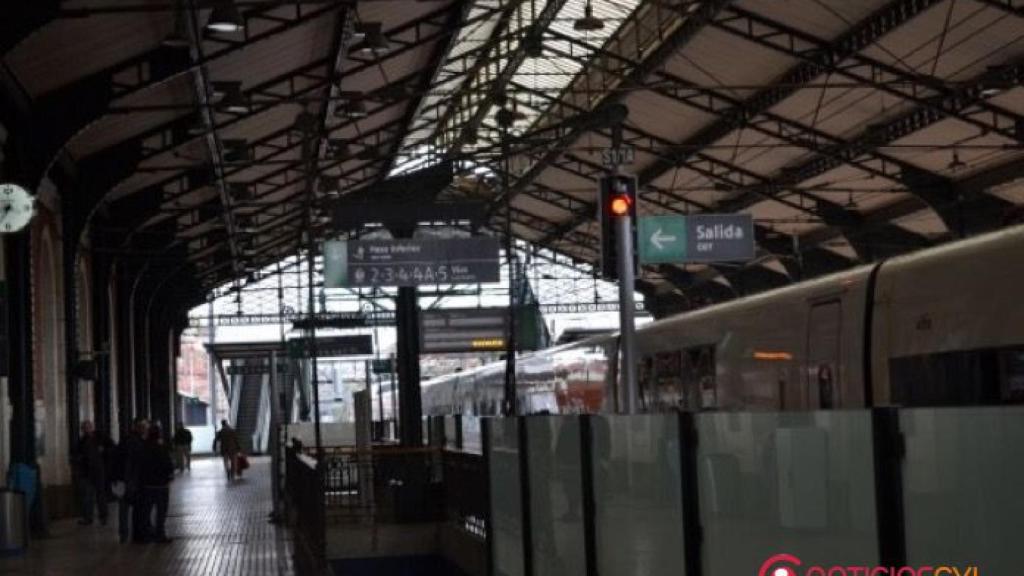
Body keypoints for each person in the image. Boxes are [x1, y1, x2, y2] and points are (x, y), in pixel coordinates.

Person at [113, 418, 150, 543]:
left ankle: (124, 534)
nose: (145, 429)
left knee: (124, 508)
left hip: (124, 479)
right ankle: (136, 533)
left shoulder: (126, 441)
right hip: (133, 480)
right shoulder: (138, 442)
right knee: (136, 507)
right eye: (143, 427)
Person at [72, 420, 112, 526]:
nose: (86, 430)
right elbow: (76, 454)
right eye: (84, 428)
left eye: (88, 427)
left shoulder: (100, 437)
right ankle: (88, 518)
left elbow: (112, 447)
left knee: (100, 495)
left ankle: (103, 517)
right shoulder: (81, 441)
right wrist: (80, 460)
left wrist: (104, 450)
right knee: (87, 496)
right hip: (87, 472)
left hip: (99, 470)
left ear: (92, 427)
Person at [140, 425, 175, 543]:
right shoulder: (161, 448)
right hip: (161, 485)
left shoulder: (143, 448)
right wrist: (169, 476)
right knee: (161, 511)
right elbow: (168, 464)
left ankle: (145, 534)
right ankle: (160, 534)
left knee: (146, 511)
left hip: (147, 485)